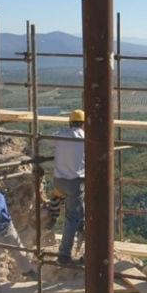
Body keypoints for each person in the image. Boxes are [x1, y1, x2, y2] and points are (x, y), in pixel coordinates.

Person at [53, 109, 85, 265]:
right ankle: (64, 255)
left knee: (80, 213)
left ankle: (84, 244)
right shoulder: (84, 137)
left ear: (70, 122)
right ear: (83, 124)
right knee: (73, 218)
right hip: (74, 183)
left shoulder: (60, 134)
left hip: (59, 181)